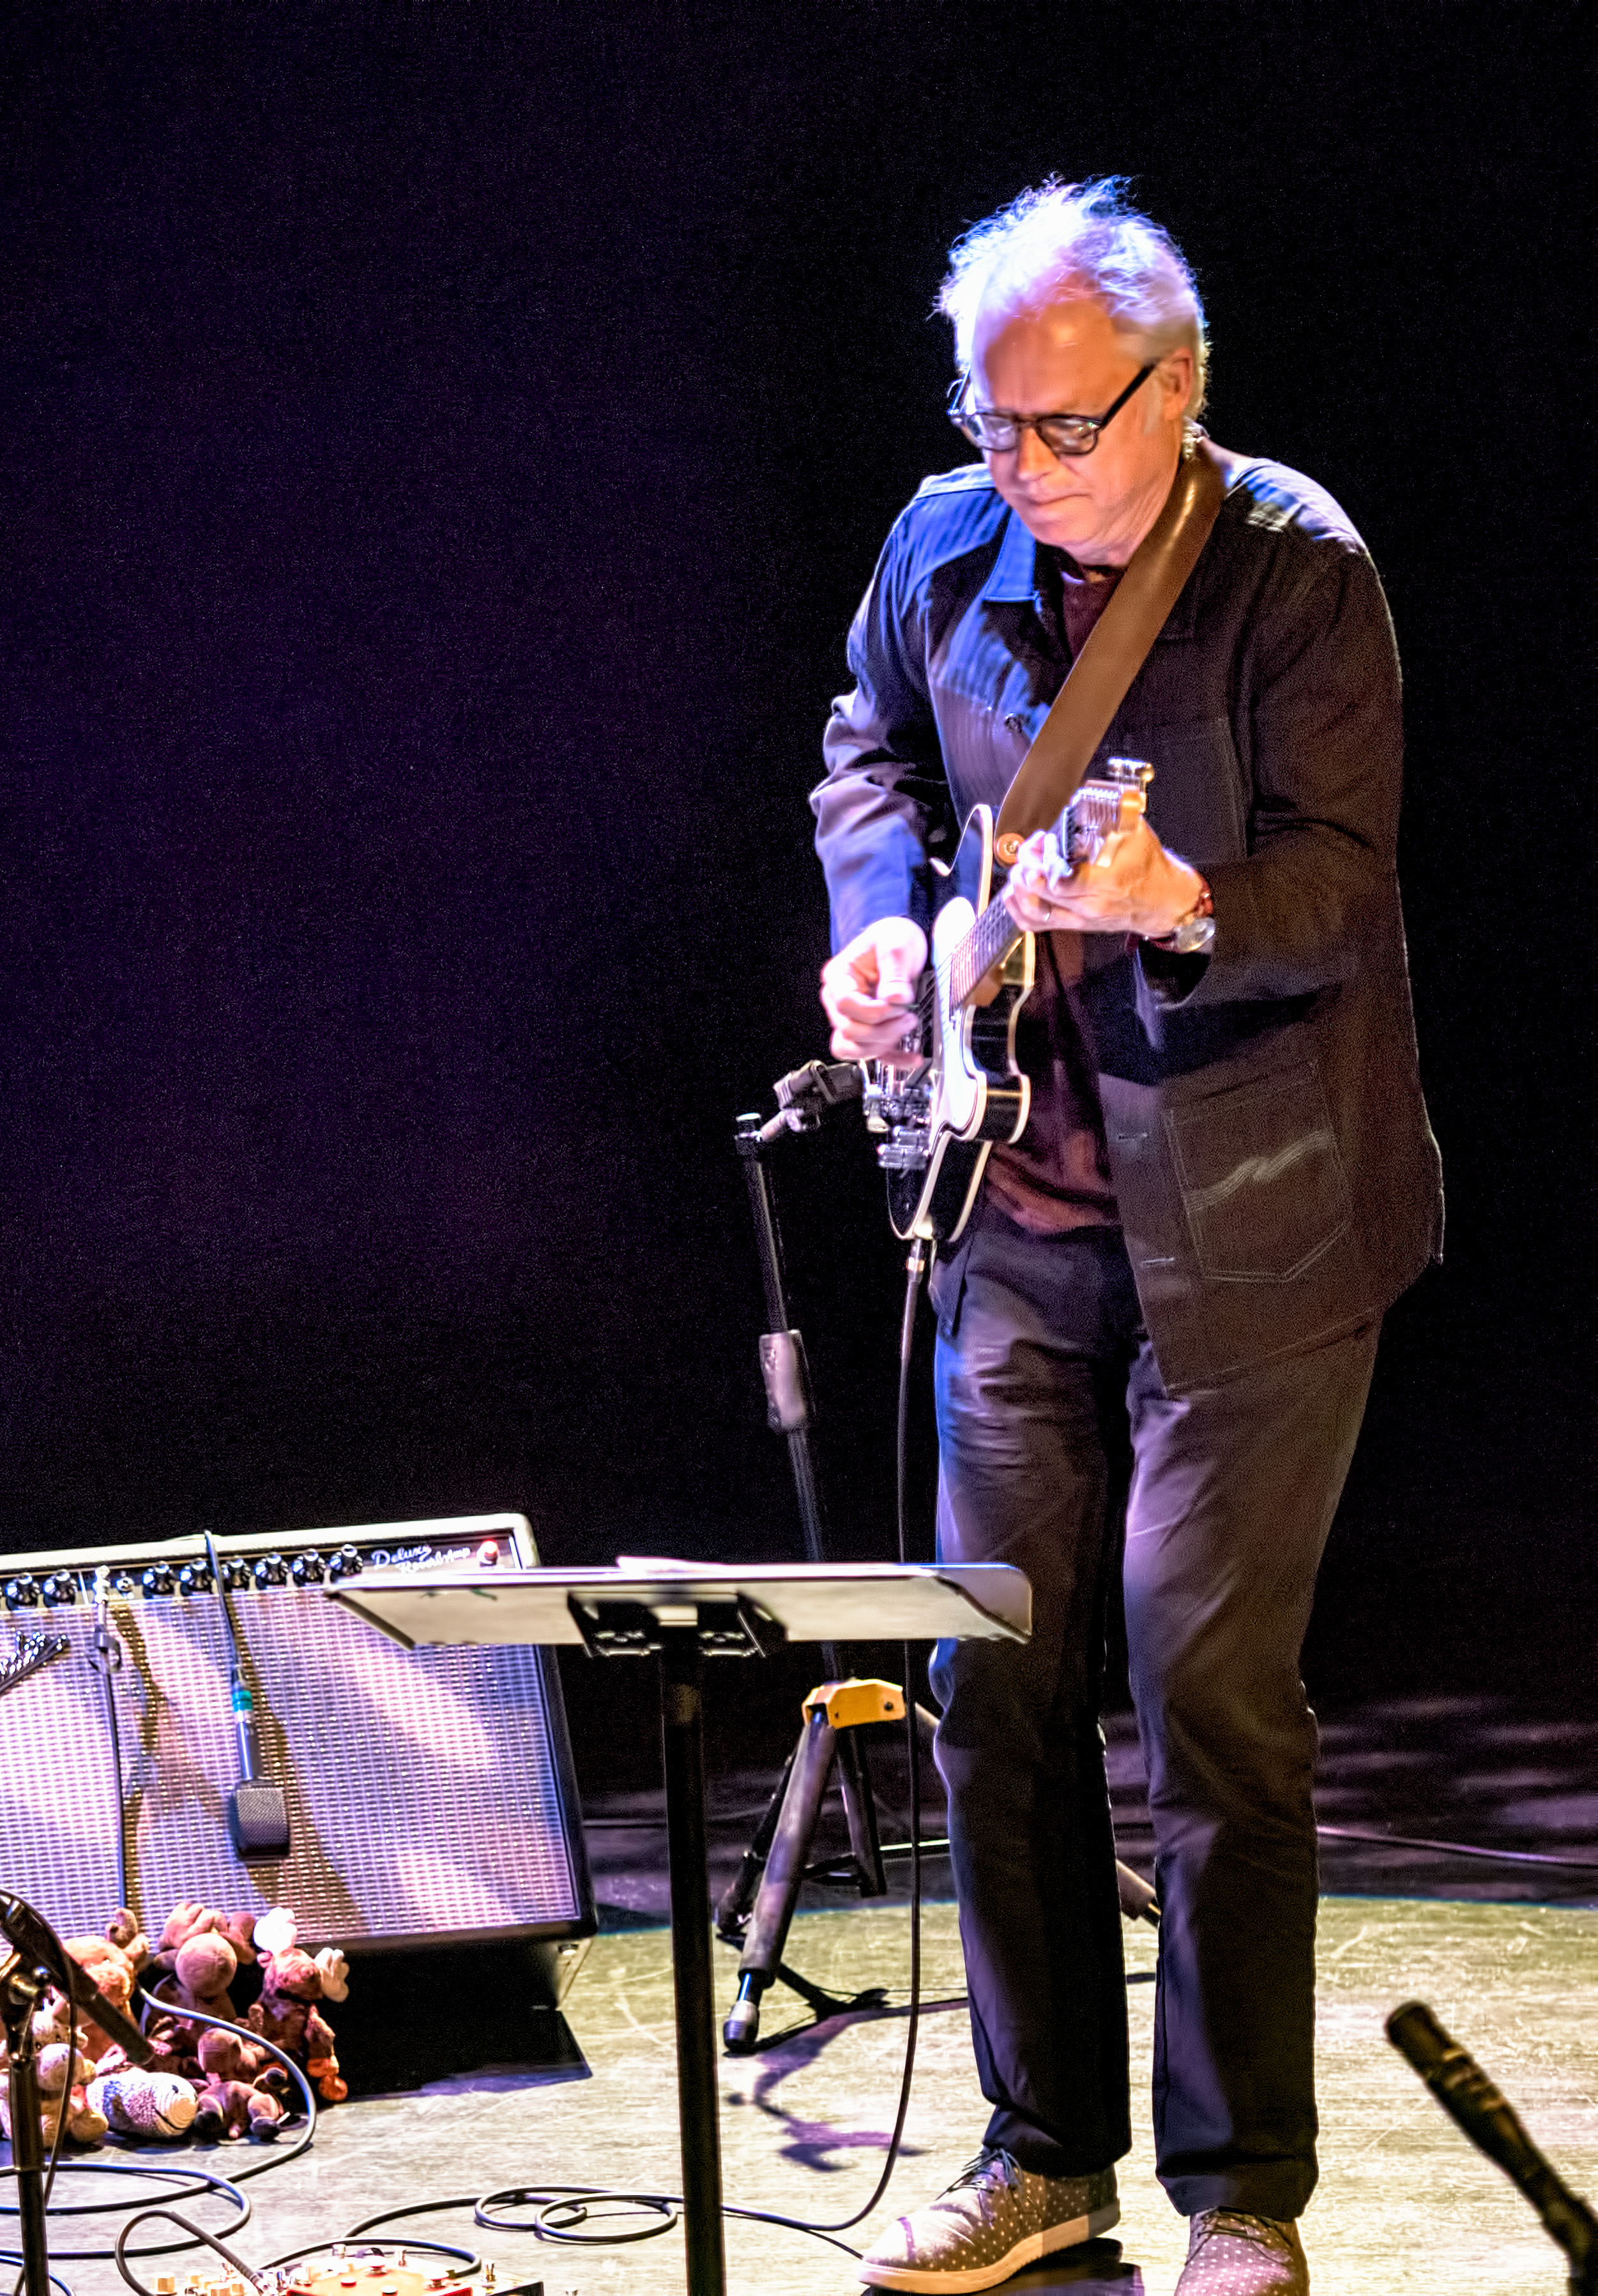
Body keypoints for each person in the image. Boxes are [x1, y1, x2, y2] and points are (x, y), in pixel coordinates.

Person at [812, 182, 1440, 2296]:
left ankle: (1242, 2192)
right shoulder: (941, 540)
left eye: (1063, 427)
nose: (1022, 468)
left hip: (1258, 1230)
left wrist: (1180, 901)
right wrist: (883, 927)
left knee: (1208, 1693)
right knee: (987, 1680)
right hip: (1015, 1209)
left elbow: (1346, 885)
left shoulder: (1296, 575)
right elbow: (866, 747)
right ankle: (1041, 2153)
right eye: (994, 426)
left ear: (1176, 391)